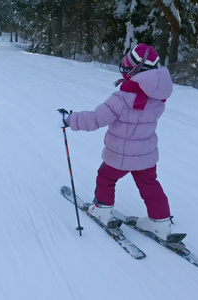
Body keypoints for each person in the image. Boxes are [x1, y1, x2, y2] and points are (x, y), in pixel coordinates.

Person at [58, 44, 176, 241]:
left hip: (118, 155)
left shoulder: (122, 97)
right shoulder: (158, 96)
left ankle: (103, 210)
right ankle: (160, 222)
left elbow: (96, 119)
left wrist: (69, 120)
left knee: (106, 178)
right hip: (146, 155)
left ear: (134, 71)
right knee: (150, 184)